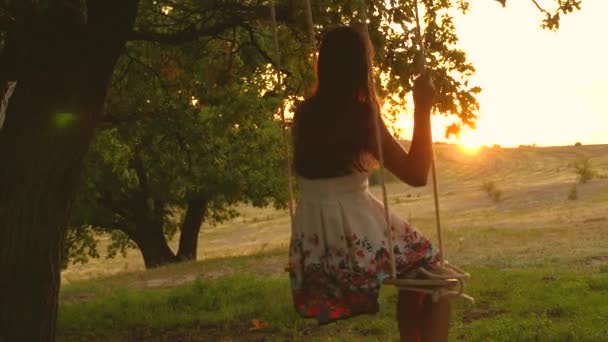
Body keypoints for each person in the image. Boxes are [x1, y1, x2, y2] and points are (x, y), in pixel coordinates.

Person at [287, 25, 451, 341]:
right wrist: (422, 108)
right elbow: (416, 175)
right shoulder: (360, 117)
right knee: (435, 274)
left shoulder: (304, 115)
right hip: (353, 237)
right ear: (362, 68)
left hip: (316, 245)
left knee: (414, 275)